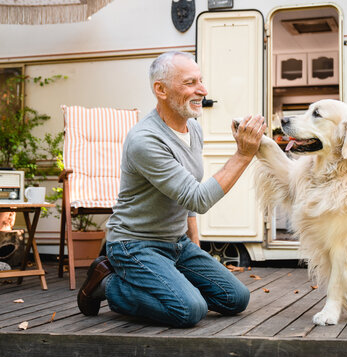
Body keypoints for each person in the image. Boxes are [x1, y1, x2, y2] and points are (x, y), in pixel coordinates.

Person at [77, 51, 266, 327]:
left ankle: (167, 282)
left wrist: (195, 248)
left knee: (235, 298)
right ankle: (106, 284)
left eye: (201, 80)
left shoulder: (193, 129)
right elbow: (197, 198)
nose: (202, 90)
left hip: (176, 244)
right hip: (134, 245)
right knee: (189, 310)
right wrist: (243, 155)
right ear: (161, 90)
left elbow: (186, 197)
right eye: (190, 83)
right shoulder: (145, 140)